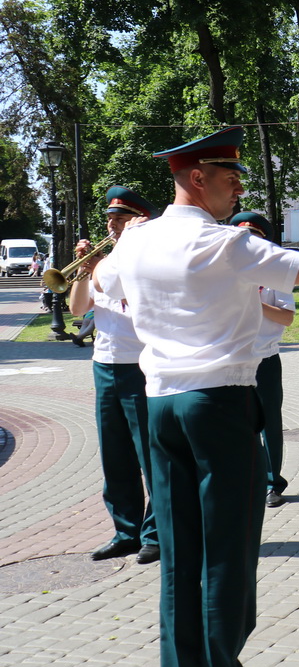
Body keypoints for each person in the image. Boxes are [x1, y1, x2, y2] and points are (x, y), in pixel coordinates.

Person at [93, 126, 299, 667]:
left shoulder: (135, 239)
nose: (238, 190)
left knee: (179, 554)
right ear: (197, 178)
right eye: (229, 178)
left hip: (161, 403)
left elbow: (100, 284)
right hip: (218, 404)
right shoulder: (224, 243)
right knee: (227, 552)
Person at [68, 185, 163, 566]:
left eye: (120, 219)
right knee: (115, 455)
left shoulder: (147, 263)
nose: (112, 226)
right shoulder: (104, 263)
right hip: (104, 365)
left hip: (139, 365)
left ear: (140, 223)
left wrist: (102, 267)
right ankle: (126, 532)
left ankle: (156, 535)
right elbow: (78, 309)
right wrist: (83, 271)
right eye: (110, 219)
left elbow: (140, 309)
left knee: (151, 456)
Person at [229, 212, 296, 510]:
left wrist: (254, 302)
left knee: (269, 423)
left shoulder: (274, 275)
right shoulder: (225, 273)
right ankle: (243, 480)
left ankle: (273, 483)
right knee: (235, 425)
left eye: (253, 238)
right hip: (231, 360)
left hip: (264, 358)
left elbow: (287, 317)